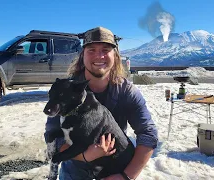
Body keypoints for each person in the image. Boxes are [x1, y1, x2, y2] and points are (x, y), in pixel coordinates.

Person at [44, 26, 158, 180]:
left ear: (115, 55)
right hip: (75, 170)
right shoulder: (65, 89)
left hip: (114, 169)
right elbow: (53, 135)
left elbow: (148, 133)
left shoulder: (127, 92)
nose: (99, 56)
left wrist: (126, 176)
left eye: (105, 50)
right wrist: (85, 156)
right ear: (82, 55)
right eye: (91, 50)